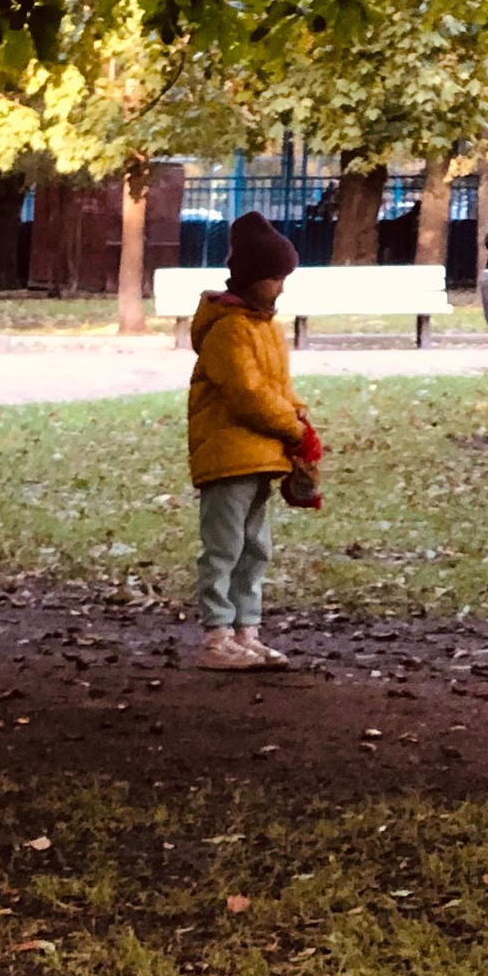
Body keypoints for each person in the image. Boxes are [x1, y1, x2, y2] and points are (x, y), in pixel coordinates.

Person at [185, 210, 316, 671]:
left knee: (255, 548)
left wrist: (298, 413)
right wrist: (292, 428)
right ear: (253, 278)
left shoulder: (266, 328)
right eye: (276, 279)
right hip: (229, 456)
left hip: (262, 455)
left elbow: (277, 387)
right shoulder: (229, 329)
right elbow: (248, 395)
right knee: (224, 547)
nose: (280, 288)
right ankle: (217, 634)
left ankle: (247, 629)